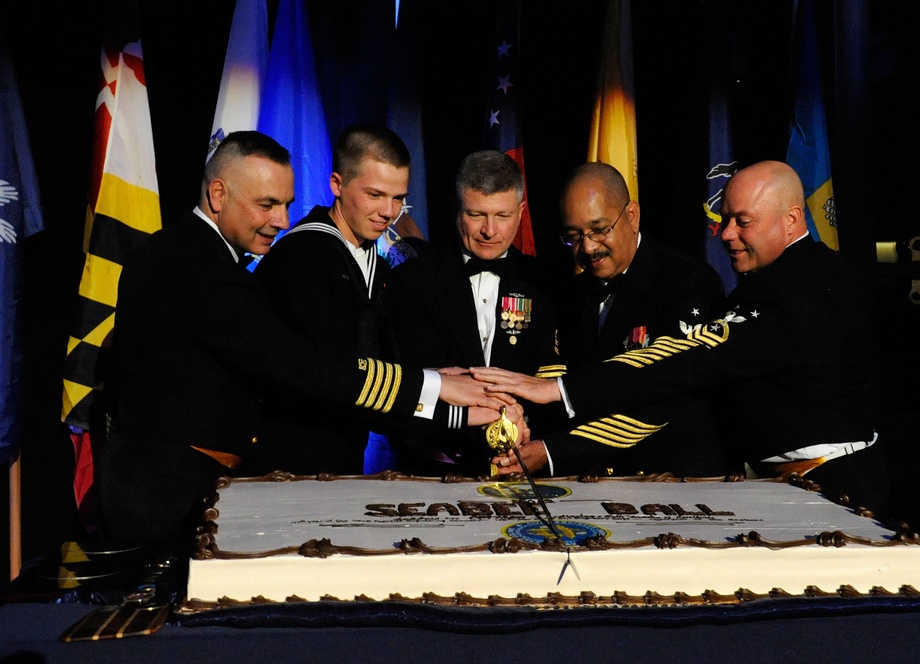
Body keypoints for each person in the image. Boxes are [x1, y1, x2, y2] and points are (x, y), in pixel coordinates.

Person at [99, 131, 512, 545]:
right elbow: (303, 364)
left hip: (180, 481)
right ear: (219, 194)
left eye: (285, 205)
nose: (280, 221)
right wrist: (438, 393)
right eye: (267, 205)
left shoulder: (191, 254)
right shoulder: (199, 268)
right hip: (166, 491)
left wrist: (434, 386)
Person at [477, 160, 890, 515]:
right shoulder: (769, 282)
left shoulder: (806, 287)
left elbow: (682, 364)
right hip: (781, 487)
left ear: (792, 220)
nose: (725, 234)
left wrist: (560, 394)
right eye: (724, 219)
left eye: (742, 222)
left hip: (834, 487)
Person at [530, 161, 728, 478]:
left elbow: (660, 394)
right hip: (590, 482)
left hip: (676, 482)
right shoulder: (569, 294)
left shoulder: (688, 282)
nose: (588, 247)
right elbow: (553, 380)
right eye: (574, 236)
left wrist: (556, 451)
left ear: (632, 216)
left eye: (599, 229)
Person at [387, 150, 564, 477]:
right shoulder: (411, 282)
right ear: (457, 209)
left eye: (502, 215)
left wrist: (522, 428)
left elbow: (551, 379)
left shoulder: (546, 284)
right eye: (477, 214)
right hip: (431, 471)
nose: (490, 230)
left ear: (521, 211)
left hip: (523, 467)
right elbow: (406, 384)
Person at [248, 124, 411, 475]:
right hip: (286, 461)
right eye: (375, 194)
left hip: (345, 456)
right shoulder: (302, 256)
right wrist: (439, 400)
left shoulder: (378, 266)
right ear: (337, 184)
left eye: (398, 198)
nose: (389, 211)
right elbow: (327, 372)